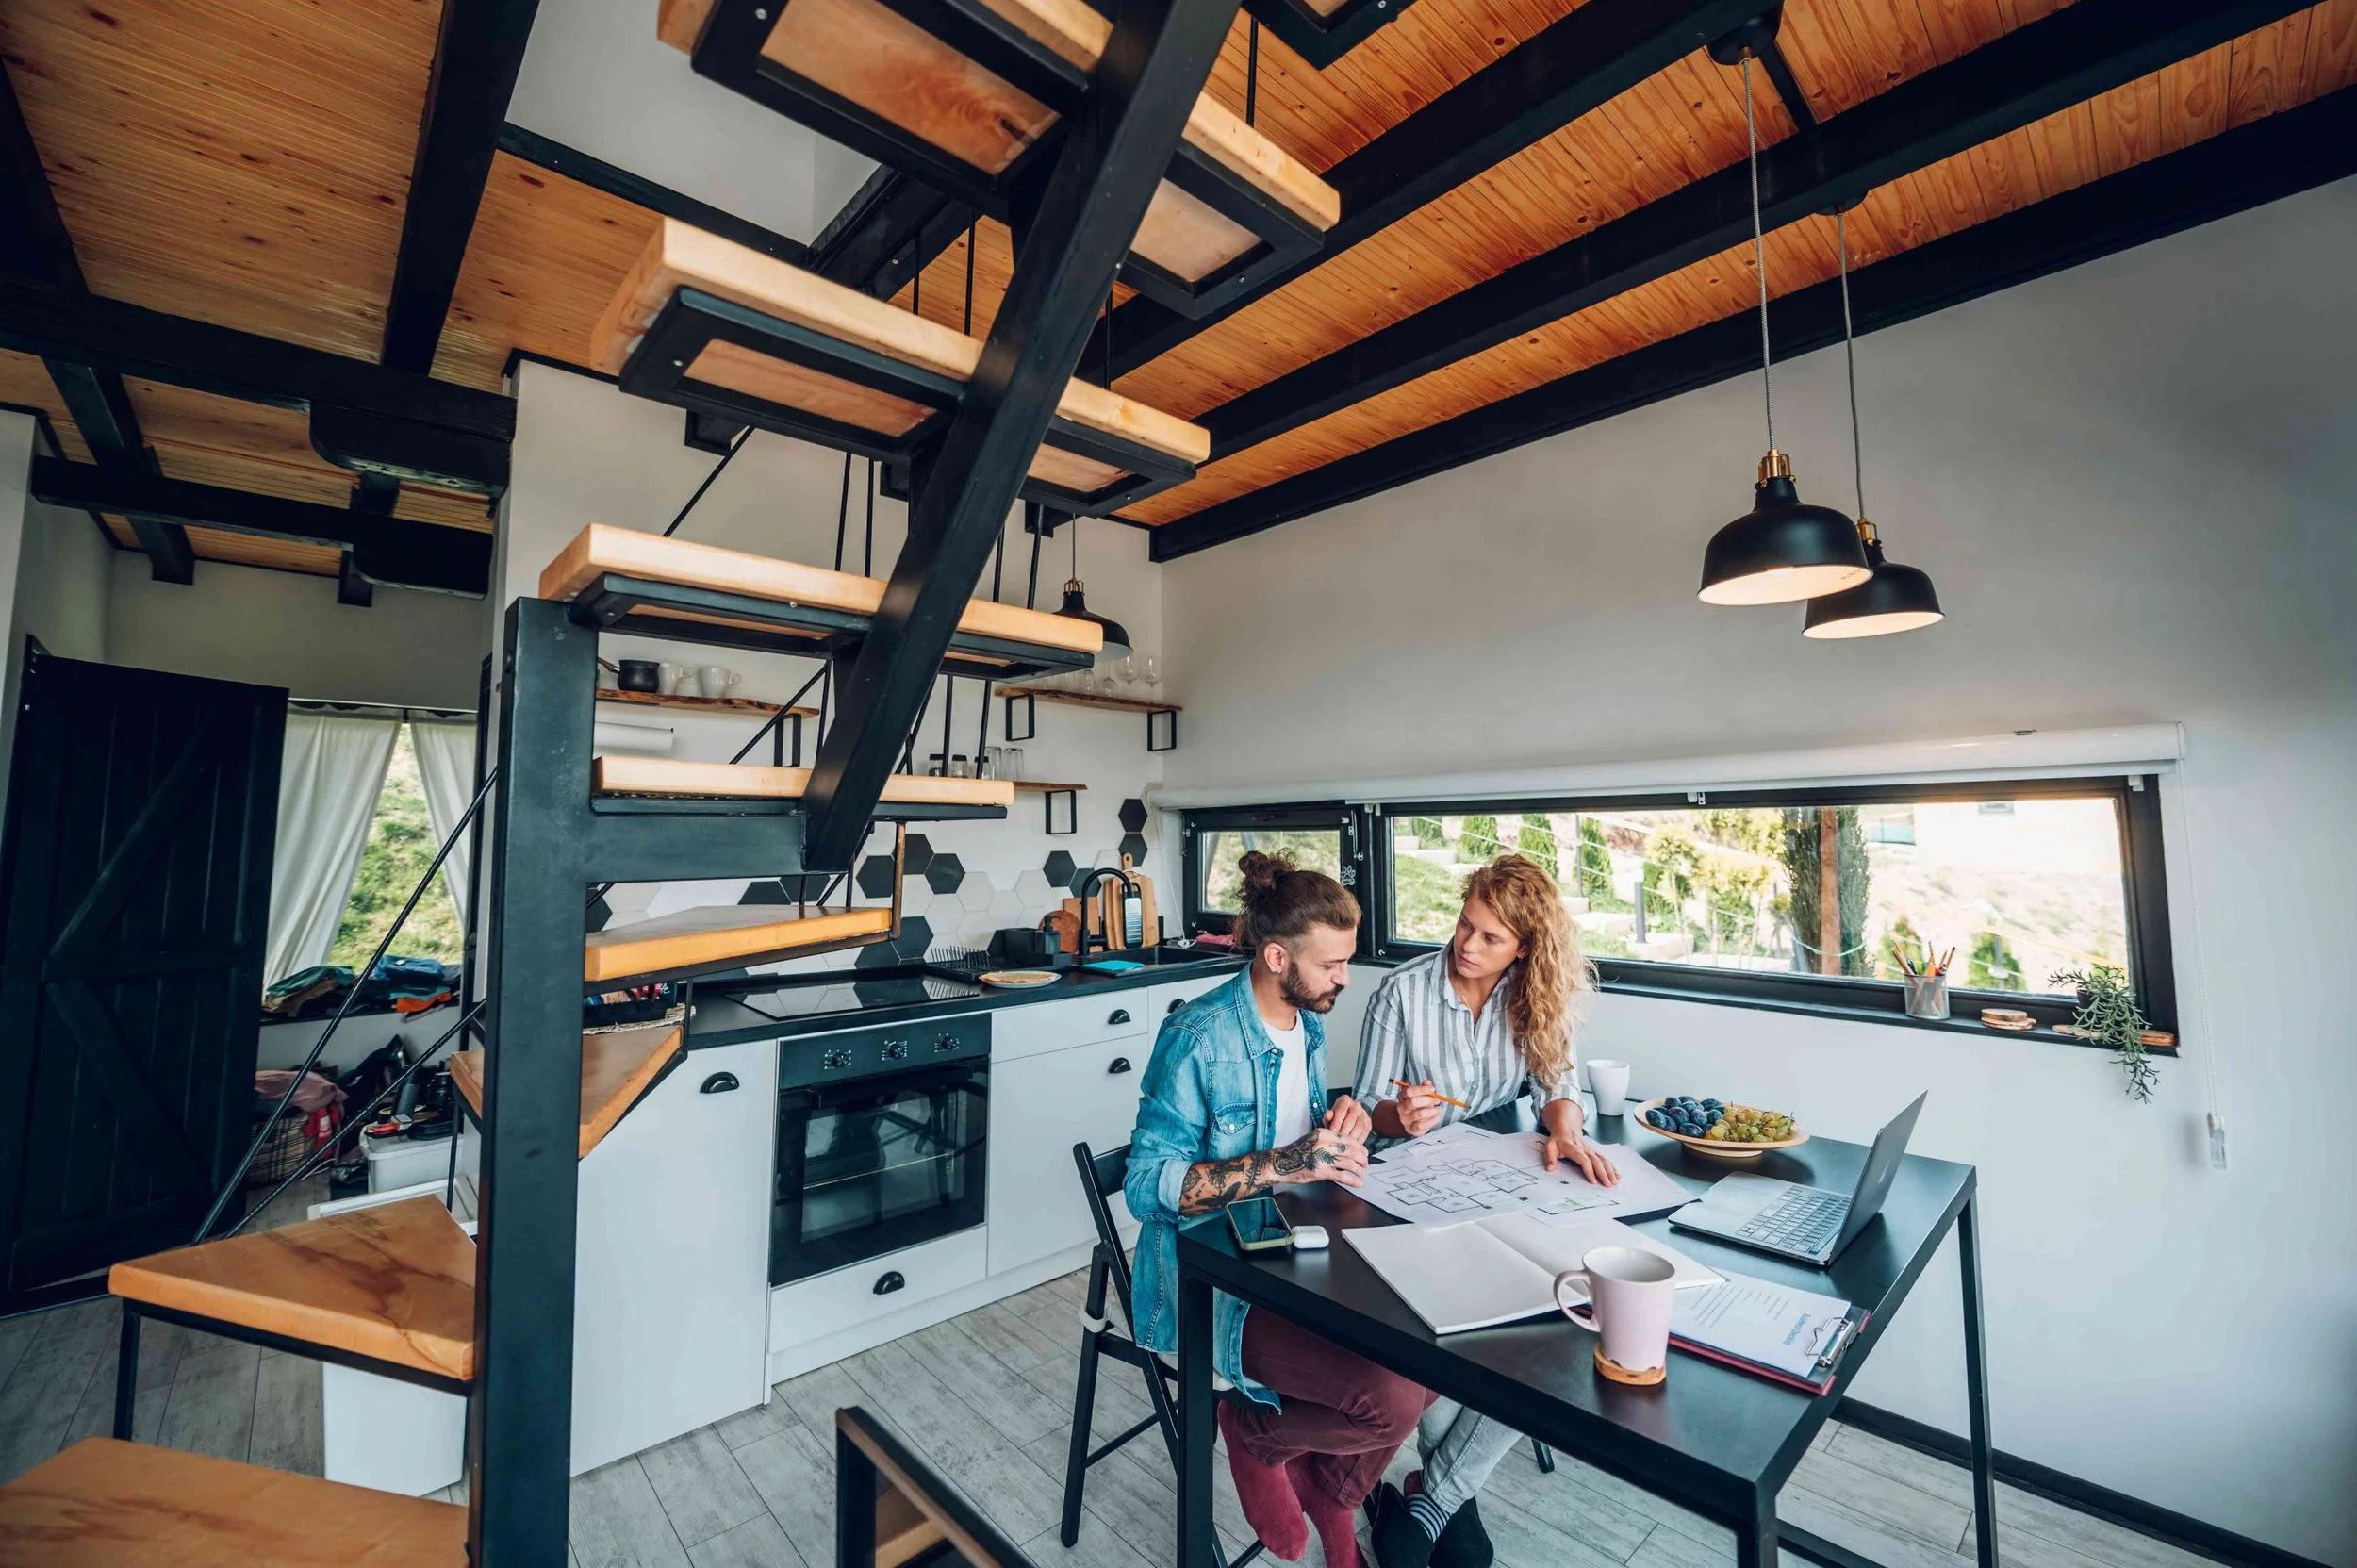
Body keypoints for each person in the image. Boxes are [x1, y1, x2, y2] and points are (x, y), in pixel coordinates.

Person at [1126, 851, 1426, 1568]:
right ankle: (1256, 1434)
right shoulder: (1198, 1037)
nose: (1344, 980)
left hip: (1301, 1248)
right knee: (1391, 1395)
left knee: (1437, 1350)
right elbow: (1146, 1184)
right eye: (1332, 965)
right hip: (1222, 1283)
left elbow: (1297, 1128)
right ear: (1275, 955)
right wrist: (1288, 1162)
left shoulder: (1305, 1020)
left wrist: (1344, 1116)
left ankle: (1329, 1488)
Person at [1352, 852, 1617, 1568]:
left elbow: (1555, 1078)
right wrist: (1397, 1114)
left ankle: (1432, 1493)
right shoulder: (1401, 994)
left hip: (1499, 1182)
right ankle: (1445, 1498)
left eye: (1490, 936)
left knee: (1566, 1315)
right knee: (1457, 1331)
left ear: (1523, 947)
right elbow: (1367, 1105)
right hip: (1410, 1192)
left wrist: (1564, 1128)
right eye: (1466, 923)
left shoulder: (1531, 994)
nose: (1467, 944)